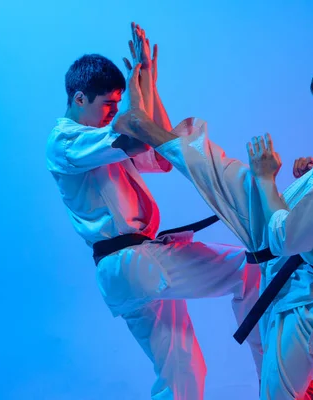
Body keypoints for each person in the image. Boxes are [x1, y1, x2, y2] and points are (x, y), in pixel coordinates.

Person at [114, 54, 313, 399]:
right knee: (233, 182)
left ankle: (146, 127)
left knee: (242, 184)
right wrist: (310, 181)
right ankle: (150, 129)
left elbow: (283, 238)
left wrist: (268, 180)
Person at [45, 23, 264, 400]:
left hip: (131, 271)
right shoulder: (64, 140)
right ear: (79, 98)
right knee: (249, 268)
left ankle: (277, 381)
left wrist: (149, 83)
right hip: (131, 263)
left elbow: (162, 151)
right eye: (108, 105)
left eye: (118, 103)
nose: (115, 112)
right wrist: (135, 88)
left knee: (183, 374)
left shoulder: (100, 140)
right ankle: (278, 382)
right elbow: (134, 133)